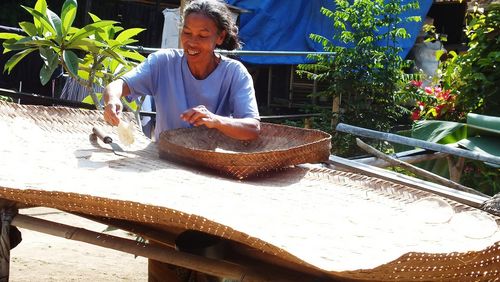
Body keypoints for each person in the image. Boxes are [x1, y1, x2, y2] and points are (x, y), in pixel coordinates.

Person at [103, 0, 260, 141]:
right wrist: (112, 100)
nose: (192, 42)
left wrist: (215, 120)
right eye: (187, 32)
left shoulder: (234, 73)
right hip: (163, 158)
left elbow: (252, 128)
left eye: (203, 35)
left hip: (212, 163)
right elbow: (118, 85)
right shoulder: (163, 62)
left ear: (220, 37)